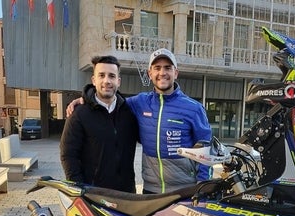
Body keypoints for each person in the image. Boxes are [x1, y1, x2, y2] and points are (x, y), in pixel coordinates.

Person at [67, 48, 212, 194]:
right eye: (157, 68)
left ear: (176, 72)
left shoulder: (194, 108)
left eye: (168, 68)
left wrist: (203, 186)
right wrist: (86, 99)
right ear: (150, 74)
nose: (162, 73)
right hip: (150, 191)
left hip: (184, 190)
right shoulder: (139, 103)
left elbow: (206, 150)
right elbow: (110, 101)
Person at [60, 55, 139, 192]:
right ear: (94, 80)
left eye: (112, 76)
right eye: (101, 75)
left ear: (118, 81)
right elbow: (68, 155)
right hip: (93, 195)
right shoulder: (79, 114)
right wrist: (79, 190)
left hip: (126, 196)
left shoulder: (129, 112)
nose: (106, 81)